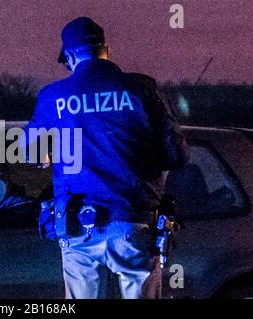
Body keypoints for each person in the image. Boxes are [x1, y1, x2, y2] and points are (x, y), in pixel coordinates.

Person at [24, 17, 188, 299]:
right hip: (132, 221)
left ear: (71, 56)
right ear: (106, 50)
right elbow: (177, 156)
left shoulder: (54, 97)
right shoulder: (142, 89)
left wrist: (48, 155)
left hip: (76, 227)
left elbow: (29, 152)